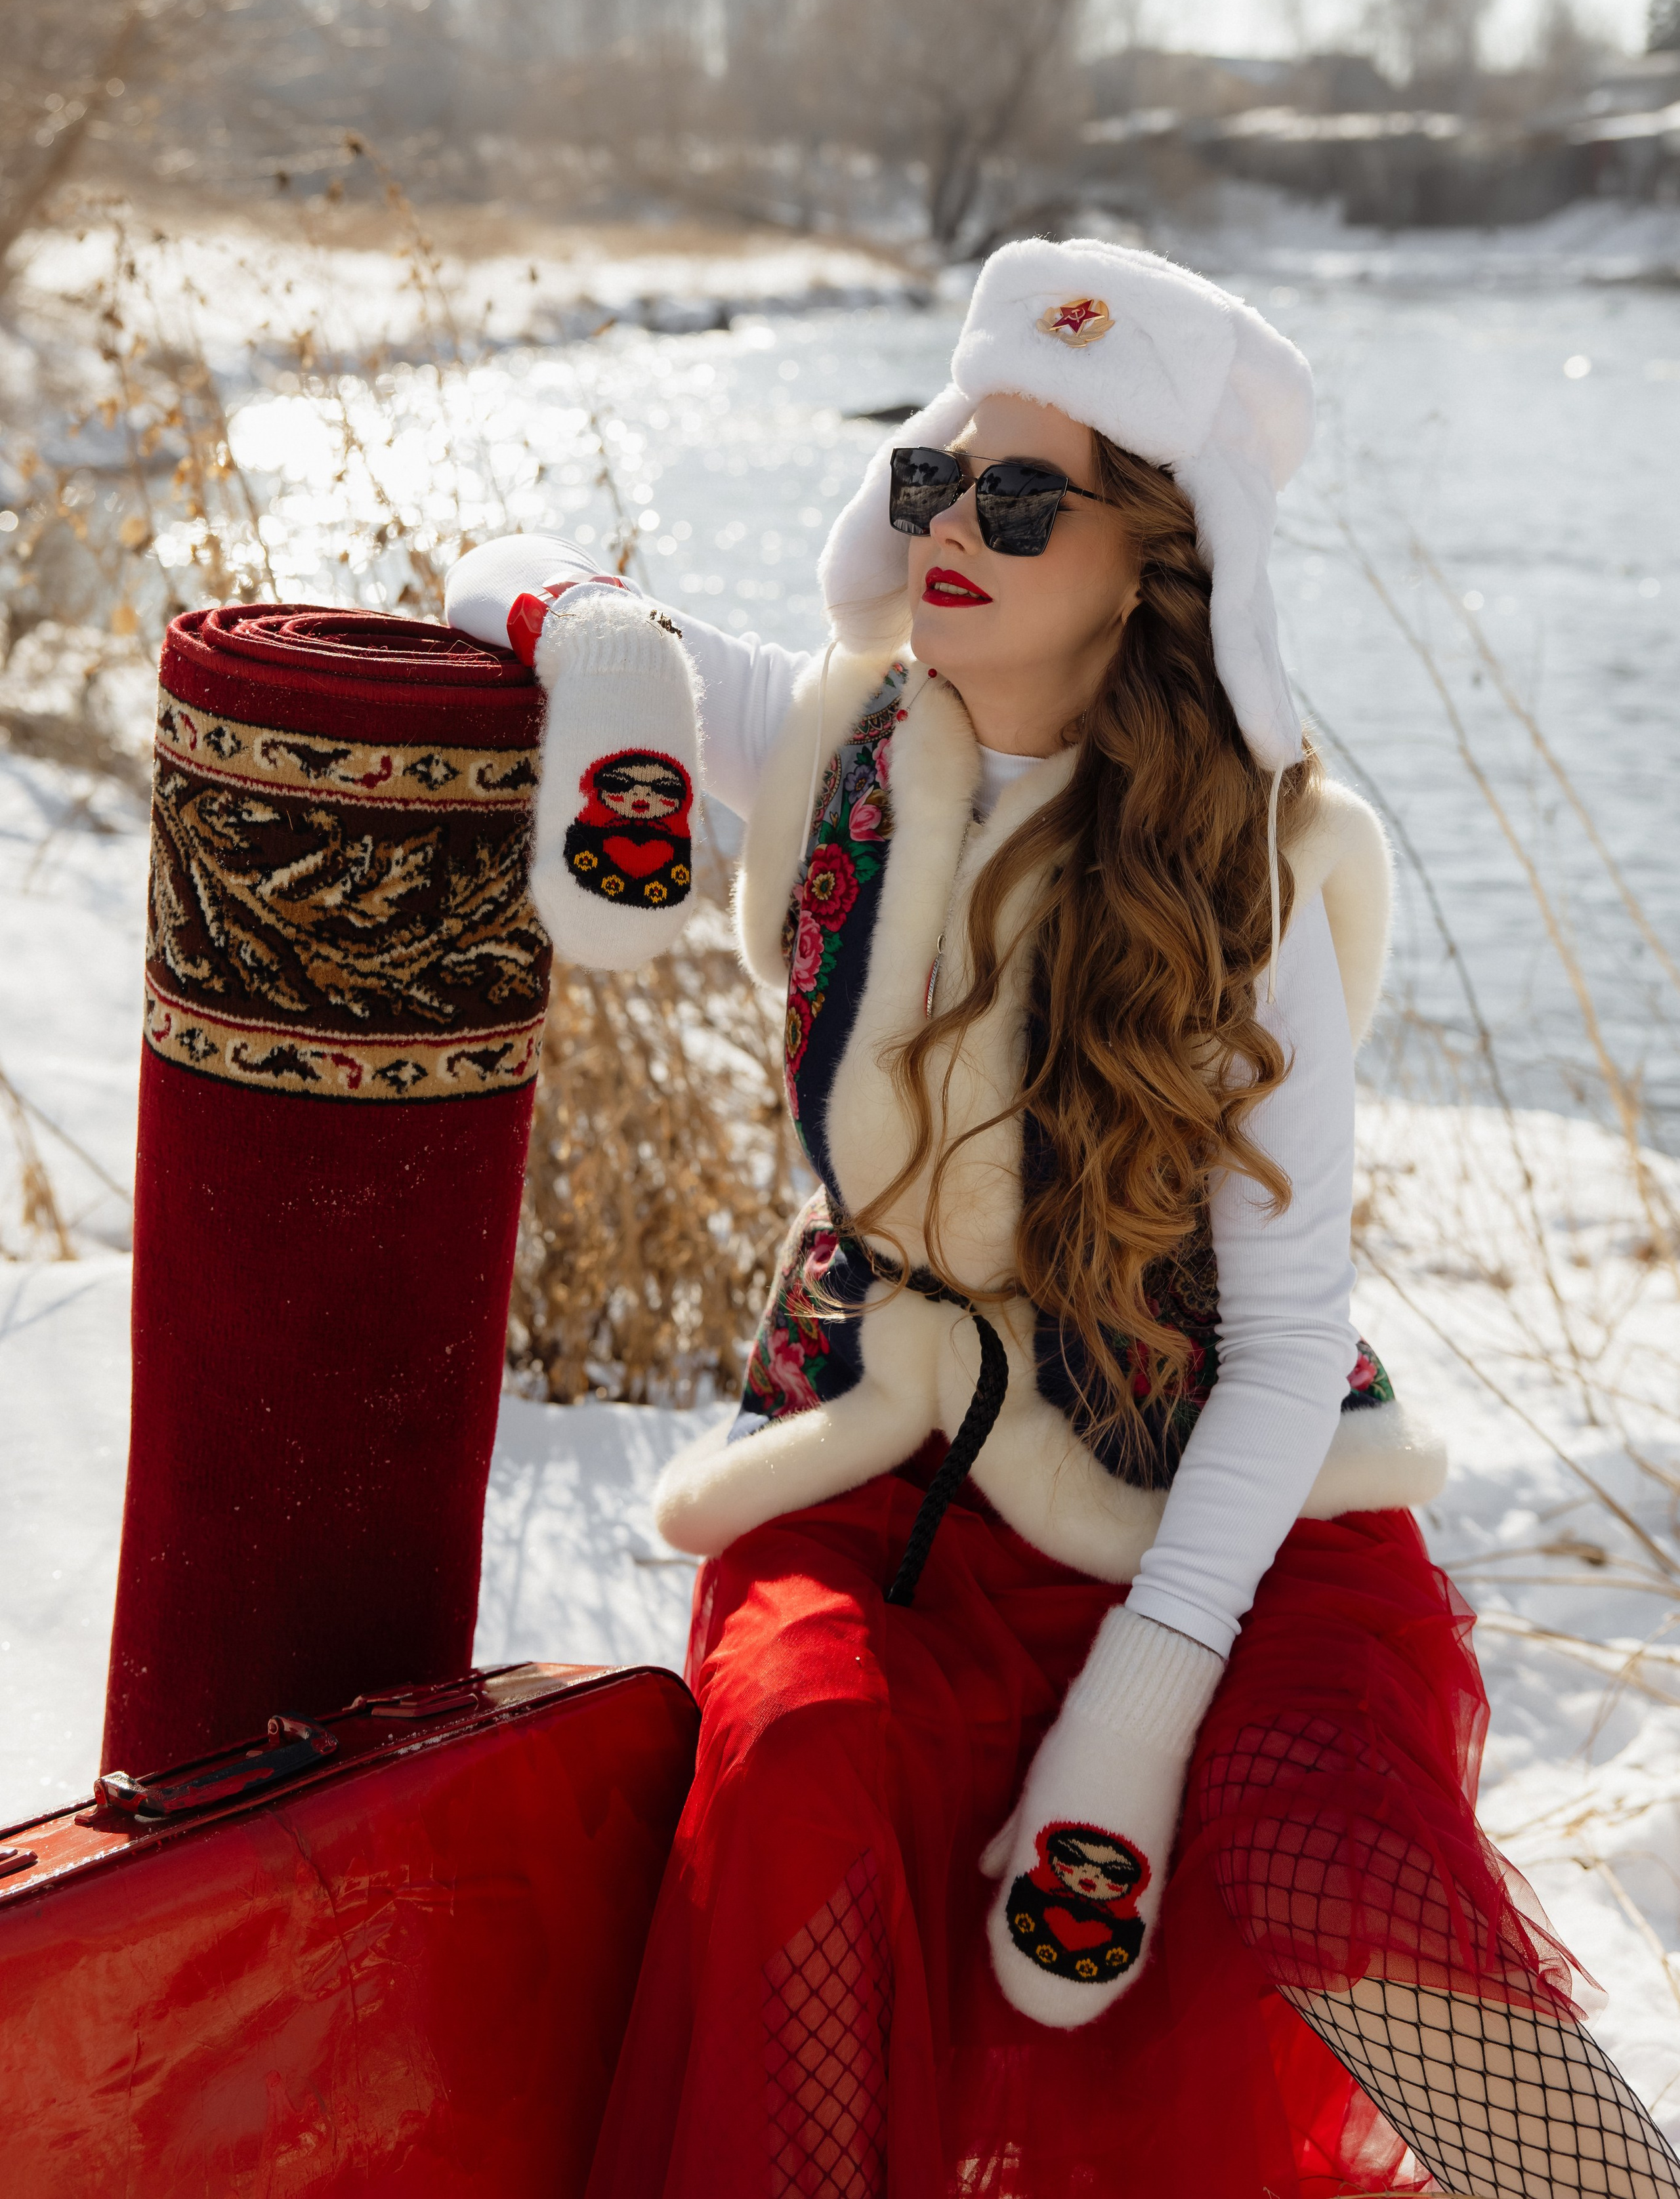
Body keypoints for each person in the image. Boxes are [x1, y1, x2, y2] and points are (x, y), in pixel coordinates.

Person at [448, 239, 1679, 2199]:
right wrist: (611, 654)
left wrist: (1138, 1711)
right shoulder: (838, 737)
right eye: (935, 477)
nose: (953, 527)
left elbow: (1289, 1346)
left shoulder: (1260, 879)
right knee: (795, 1780)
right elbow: (486, 574)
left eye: (1025, 501)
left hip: (1215, 1507)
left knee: (1321, 1853)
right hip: (877, 1482)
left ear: (1153, 565)